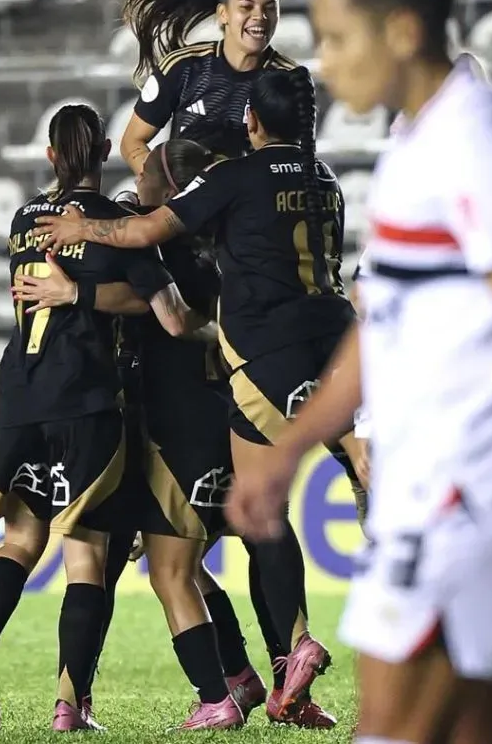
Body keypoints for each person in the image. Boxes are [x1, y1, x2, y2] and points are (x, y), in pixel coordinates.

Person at [222, 0, 492, 744]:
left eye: (339, 37)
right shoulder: (411, 140)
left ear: (403, 31)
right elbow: (377, 331)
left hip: (474, 497)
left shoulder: (478, 140)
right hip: (423, 491)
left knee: (402, 728)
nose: (325, 61)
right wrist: (286, 452)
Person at [32, 65, 353, 720]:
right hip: (307, 368)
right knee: (254, 538)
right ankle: (268, 672)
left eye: (148, 175)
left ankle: (220, 692)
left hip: (194, 419)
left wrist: (83, 249)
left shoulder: (191, 218)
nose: (136, 179)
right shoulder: (316, 189)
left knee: (172, 565)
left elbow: (152, 269)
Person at [0, 103, 207, 733]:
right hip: (84, 402)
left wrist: (72, 290)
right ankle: (71, 703)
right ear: (101, 154)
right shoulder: (113, 221)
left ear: (49, 157)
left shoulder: (22, 218)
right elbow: (165, 311)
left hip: (17, 396)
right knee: (86, 557)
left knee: (19, 540)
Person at [89, 0, 296, 171]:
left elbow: (295, 161)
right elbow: (132, 143)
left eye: (270, 7)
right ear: (223, 13)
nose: (260, 17)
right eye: (246, 7)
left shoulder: (290, 80)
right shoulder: (183, 67)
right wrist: (166, 184)